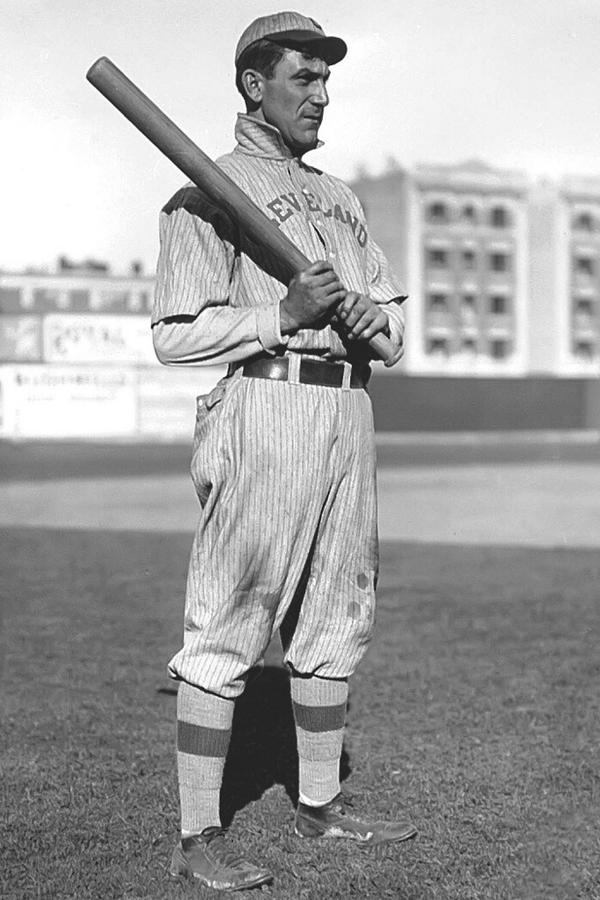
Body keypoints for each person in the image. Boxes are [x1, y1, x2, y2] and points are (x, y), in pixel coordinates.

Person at [152, 11, 415, 892]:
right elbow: (173, 336)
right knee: (229, 621)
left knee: (340, 614)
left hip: (349, 414)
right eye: (303, 76)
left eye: (326, 76)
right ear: (254, 85)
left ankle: (319, 808)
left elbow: (389, 318)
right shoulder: (206, 192)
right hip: (265, 403)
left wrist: (385, 324)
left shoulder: (340, 197)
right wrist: (282, 315)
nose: (321, 92)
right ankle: (198, 838)